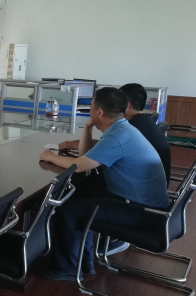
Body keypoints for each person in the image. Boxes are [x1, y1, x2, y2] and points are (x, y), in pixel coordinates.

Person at [37, 87, 169, 281]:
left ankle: (67, 269)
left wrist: (50, 156)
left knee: (68, 210)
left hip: (142, 212)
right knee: (81, 194)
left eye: (91, 107)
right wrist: (88, 127)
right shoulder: (121, 128)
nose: (89, 110)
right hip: (143, 203)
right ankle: (84, 261)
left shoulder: (118, 136)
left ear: (100, 111)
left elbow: (79, 166)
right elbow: (85, 156)